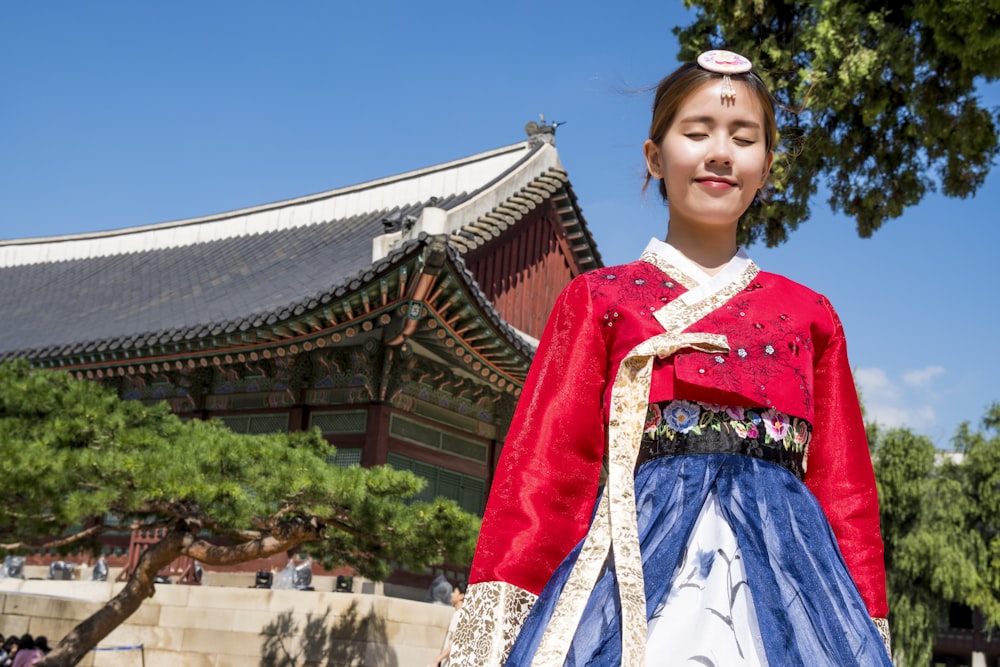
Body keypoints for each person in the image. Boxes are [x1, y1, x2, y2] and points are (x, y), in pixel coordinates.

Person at [450, 50, 892, 666]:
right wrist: (494, 628)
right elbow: (545, 474)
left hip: (795, 581)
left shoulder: (811, 315)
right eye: (697, 132)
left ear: (766, 166)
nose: (719, 152)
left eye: (744, 138)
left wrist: (863, 618)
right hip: (636, 567)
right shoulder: (598, 299)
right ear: (655, 157)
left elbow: (844, 489)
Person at [430, 581, 467, 667]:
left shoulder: (458, 615)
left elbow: (454, 641)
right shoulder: (464, 614)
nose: (451, 594)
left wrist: (437, 660)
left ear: (461, 596)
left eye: (455, 592)